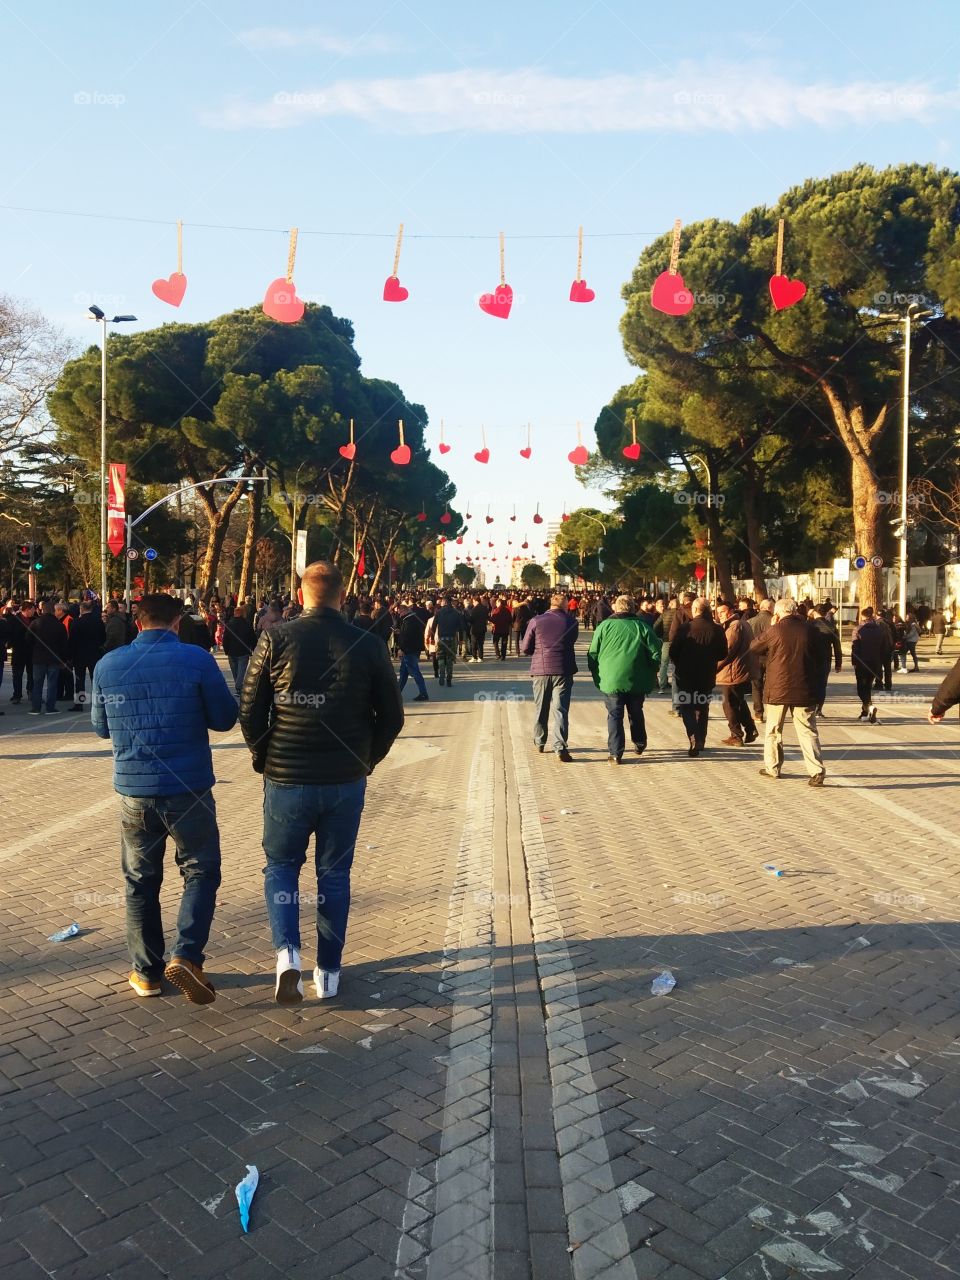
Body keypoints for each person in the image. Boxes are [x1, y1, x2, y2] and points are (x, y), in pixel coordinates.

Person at [239, 561, 404, 1004]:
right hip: (344, 780)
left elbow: (250, 709)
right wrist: (365, 760)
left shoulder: (276, 637)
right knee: (334, 874)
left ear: (300, 591)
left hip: (287, 777)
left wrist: (264, 757)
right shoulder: (368, 644)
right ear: (343, 593)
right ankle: (328, 972)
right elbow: (392, 716)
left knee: (281, 866)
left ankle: (287, 953)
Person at [92, 593, 238, 1001]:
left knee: (140, 881)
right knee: (200, 870)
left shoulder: (108, 664)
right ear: (177, 622)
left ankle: (147, 973)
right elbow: (225, 718)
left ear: (138, 622)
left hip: (134, 790)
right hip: (188, 787)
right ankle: (187, 956)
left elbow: (101, 727)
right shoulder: (197, 659)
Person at [749, 598, 826, 785]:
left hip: (778, 689)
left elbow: (754, 647)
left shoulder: (774, 630)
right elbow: (821, 656)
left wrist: (771, 627)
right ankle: (816, 770)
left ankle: (773, 767)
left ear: (778, 613)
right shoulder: (810, 630)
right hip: (804, 688)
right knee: (807, 730)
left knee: (774, 730)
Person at [587, 595, 661, 763]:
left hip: (611, 679)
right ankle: (640, 742)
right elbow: (655, 651)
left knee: (614, 715)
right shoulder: (642, 626)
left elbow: (592, 653)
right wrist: (652, 670)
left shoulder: (604, 626)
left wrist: (597, 674)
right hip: (637, 679)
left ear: (616, 608)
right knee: (636, 711)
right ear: (633, 608)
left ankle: (615, 752)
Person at [521, 591, 578, 761]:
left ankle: (540, 741)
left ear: (551, 604)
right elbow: (571, 642)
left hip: (540, 670)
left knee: (541, 707)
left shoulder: (536, 620)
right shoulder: (572, 622)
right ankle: (560, 747)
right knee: (560, 709)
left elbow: (525, 647)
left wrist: (536, 652)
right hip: (563, 669)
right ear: (565, 605)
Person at [669, 599, 727, 756]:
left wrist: (679, 662)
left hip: (686, 674)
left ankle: (694, 737)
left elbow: (673, 651)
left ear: (695, 609)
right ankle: (701, 739)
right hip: (706, 674)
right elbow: (723, 653)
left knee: (687, 706)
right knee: (702, 707)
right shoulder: (717, 629)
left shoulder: (685, 628)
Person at [715, 602, 758, 746]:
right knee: (738, 701)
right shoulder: (742, 623)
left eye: (723, 611)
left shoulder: (734, 626)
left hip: (733, 671)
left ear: (731, 611)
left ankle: (736, 735)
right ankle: (750, 729)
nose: (720, 615)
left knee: (729, 703)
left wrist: (713, 667)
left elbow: (726, 651)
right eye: (718, 612)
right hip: (739, 669)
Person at [29, 599, 69, 715]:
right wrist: (64, 659)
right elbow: (64, 645)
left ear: (43, 610)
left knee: (37, 683)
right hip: (54, 659)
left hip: (38, 658)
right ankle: (50, 708)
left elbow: (28, 639)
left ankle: (36, 708)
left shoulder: (35, 623)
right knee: (52, 684)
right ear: (53, 611)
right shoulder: (59, 625)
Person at [69, 598, 106, 710]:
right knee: (95, 678)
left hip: (79, 654)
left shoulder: (76, 622)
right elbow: (103, 637)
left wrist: (70, 654)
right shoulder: (98, 621)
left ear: (81, 609)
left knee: (79, 680)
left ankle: (79, 703)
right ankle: (98, 701)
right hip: (94, 653)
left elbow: (72, 640)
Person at [851, 606, 886, 723]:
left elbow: (855, 647)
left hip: (862, 662)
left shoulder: (858, 629)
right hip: (875, 663)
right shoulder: (879, 629)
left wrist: (854, 662)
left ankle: (869, 706)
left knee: (861, 688)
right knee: (868, 687)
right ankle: (865, 712)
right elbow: (883, 647)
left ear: (862, 616)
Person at [809, 605, 842, 715]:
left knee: (810, 683)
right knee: (822, 684)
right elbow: (837, 647)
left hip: (810, 659)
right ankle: (819, 708)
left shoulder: (809, 625)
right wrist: (838, 663)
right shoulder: (831, 627)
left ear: (815, 612)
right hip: (825, 659)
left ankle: (811, 706)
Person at [396, 598, 429, 702]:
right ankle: (396, 693)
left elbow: (407, 637)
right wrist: (400, 631)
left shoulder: (409, 621)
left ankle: (423, 693)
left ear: (404, 611)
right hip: (411, 649)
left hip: (409, 650)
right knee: (404, 673)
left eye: (400, 613)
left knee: (415, 672)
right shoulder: (412, 619)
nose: (399, 615)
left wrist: (402, 649)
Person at [748, 598, 774, 721]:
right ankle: (774, 713)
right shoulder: (774, 622)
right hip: (771, 657)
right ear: (769, 608)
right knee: (772, 684)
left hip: (754, 657)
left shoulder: (750, 621)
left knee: (756, 685)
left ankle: (758, 713)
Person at [427, 595, 462, 686]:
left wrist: (432, 638)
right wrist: (461, 639)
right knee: (450, 659)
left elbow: (433, 626)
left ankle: (441, 675)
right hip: (452, 639)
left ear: (444, 602)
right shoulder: (456, 612)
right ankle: (449, 679)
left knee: (441, 658)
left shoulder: (439, 612)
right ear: (450, 602)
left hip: (441, 639)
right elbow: (461, 627)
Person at [222, 604, 257, 694]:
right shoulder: (247, 624)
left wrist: (226, 649)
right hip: (243, 650)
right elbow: (252, 637)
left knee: (235, 670)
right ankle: (239, 685)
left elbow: (225, 638)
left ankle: (238, 685)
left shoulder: (229, 624)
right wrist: (254, 647)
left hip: (231, 650)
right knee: (241, 669)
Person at [8, 600, 36, 704]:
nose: (34, 611)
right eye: (33, 609)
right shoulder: (14, 620)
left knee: (32, 673)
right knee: (17, 674)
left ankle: (31, 692)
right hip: (18, 651)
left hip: (31, 651)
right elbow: (10, 634)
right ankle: (17, 695)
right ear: (27, 610)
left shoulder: (34, 619)